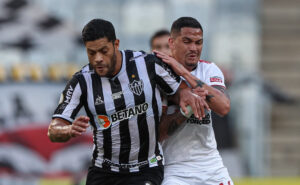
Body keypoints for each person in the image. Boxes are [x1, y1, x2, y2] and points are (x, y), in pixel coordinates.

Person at [47, 18, 208, 185]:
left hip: (146, 168)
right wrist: (68, 130)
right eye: (91, 53)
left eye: (104, 50)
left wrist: (188, 95)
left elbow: (180, 91)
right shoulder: (81, 81)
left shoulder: (147, 64)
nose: (98, 59)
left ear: (116, 44)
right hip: (104, 171)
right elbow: (53, 130)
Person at [154, 17, 233, 185]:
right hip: (174, 169)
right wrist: (185, 111)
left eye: (198, 43)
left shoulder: (209, 69)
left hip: (212, 166)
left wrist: (185, 73)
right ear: (172, 42)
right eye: (187, 41)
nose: (193, 48)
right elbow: (158, 134)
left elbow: (224, 107)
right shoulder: (159, 75)